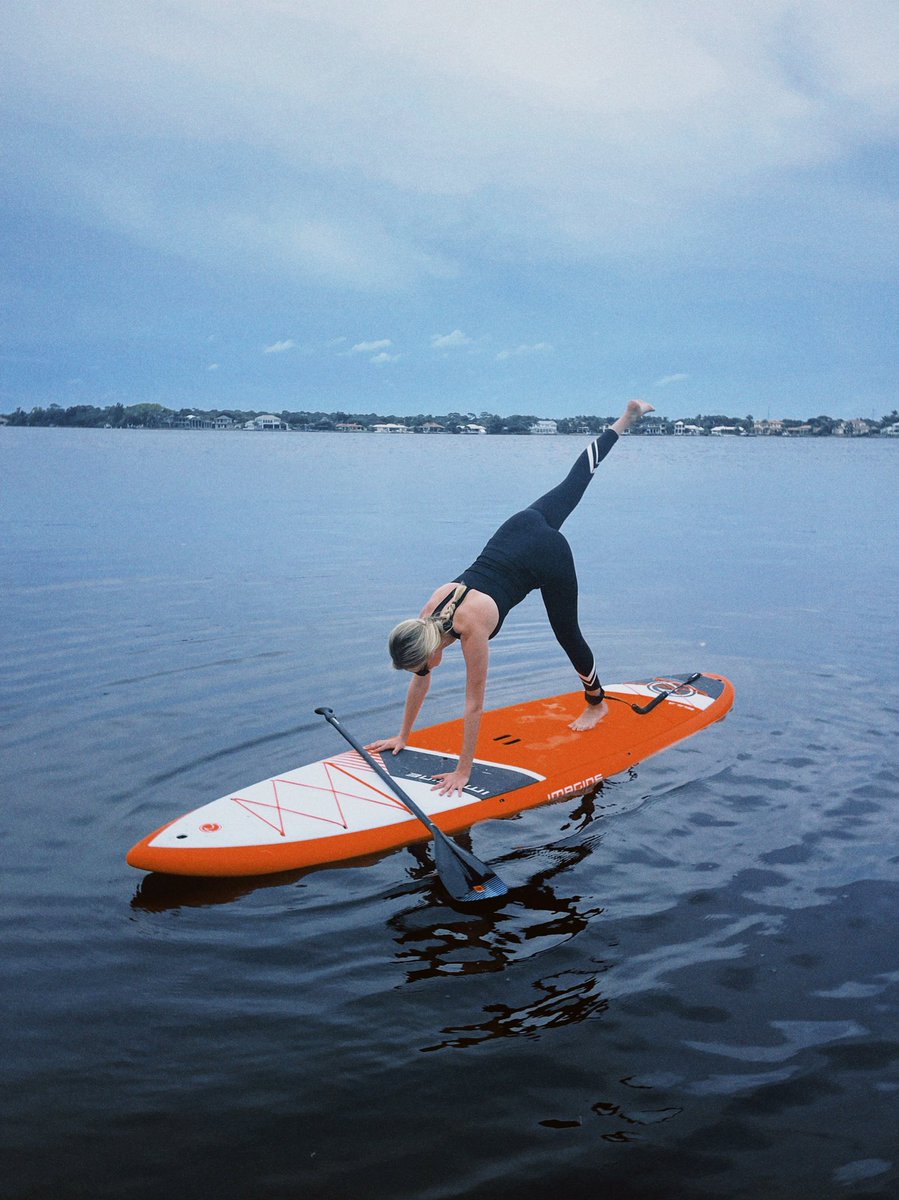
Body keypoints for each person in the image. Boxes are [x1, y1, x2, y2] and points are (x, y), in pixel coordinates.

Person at [367, 398, 655, 797]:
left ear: (429, 651)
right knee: (578, 479)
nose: (422, 672)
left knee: (567, 633)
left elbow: (473, 704)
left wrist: (463, 773)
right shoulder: (427, 615)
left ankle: (597, 702)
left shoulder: (470, 631)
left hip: (545, 554)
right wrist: (402, 736)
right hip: (519, 528)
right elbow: (420, 680)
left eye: (420, 666)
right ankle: (628, 416)